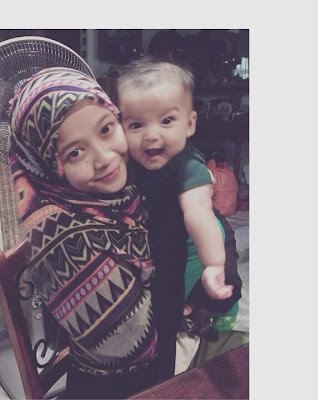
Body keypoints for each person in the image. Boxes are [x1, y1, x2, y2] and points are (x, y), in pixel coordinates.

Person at [8, 67, 158, 399]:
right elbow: (130, 341)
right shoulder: (57, 237)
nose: (104, 158)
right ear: (46, 164)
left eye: (106, 128)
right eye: (74, 152)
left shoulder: (120, 193)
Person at [117, 56, 243, 380]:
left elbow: (199, 215)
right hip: (150, 253)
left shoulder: (187, 165)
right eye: (136, 125)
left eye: (166, 120)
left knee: (166, 325)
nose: (151, 135)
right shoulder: (128, 161)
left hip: (187, 257)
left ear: (190, 124)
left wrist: (213, 265)